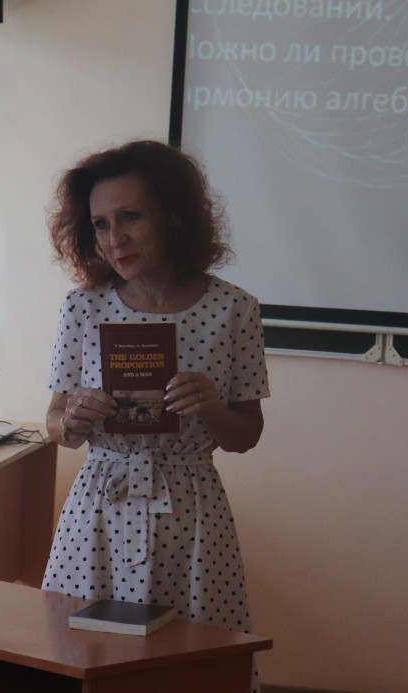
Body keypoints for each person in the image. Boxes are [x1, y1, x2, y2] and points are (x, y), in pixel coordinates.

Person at [42, 139, 270, 688]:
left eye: (131, 217)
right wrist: (74, 417)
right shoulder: (83, 307)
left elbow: (246, 435)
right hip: (99, 504)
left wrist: (211, 407)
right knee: (81, 657)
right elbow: (54, 425)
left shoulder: (234, 308)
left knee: (194, 661)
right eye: (100, 224)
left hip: (191, 509)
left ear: (173, 214)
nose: (114, 239)